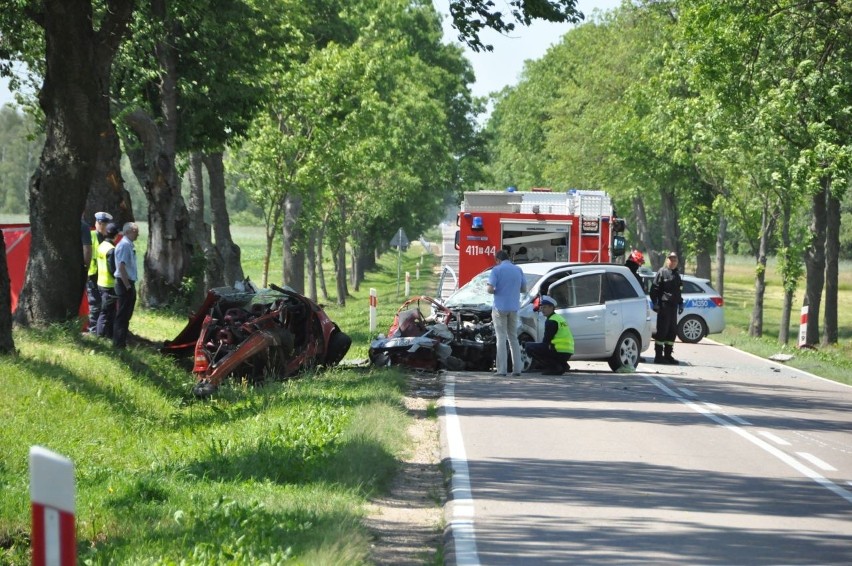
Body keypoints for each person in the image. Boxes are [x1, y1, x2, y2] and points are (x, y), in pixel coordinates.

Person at [487, 249, 527, 376]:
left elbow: (489, 289)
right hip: (514, 307)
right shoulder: (518, 269)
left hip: (500, 307)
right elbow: (524, 289)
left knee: (501, 338)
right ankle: (517, 369)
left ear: (497, 260)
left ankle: (502, 370)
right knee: (513, 337)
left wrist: (497, 290)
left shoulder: (496, 270)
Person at [524, 295, 573, 375]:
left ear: (551, 307)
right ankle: (563, 365)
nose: (543, 310)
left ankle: (553, 367)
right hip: (567, 351)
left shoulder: (551, 321)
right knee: (542, 347)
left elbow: (546, 341)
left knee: (529, 346)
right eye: (542, 307)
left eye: (545, 307)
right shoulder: (559, 318)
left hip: (559, 350)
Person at [650, 251, 684, 364]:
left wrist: (681, 302)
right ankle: (658, 356)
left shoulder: (677, 274)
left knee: (672, 331)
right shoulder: (662, 272)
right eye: (671, 259)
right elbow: (654, 289)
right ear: (667, 260)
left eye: (675, 260)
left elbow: (678, 291)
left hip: (673, 307)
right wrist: (655, 303)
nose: (673, 262)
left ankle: (668, 355)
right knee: (662, 331)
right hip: (664, 306)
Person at [113, 222, 139, 349]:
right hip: (124, 283)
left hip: (128, 283)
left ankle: (121, 341)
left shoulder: (128, 245)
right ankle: (118, 343)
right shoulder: (124, 245)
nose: (138, 234)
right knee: (122, 315)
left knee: (126, 314)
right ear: (129, 231)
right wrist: (127, 286)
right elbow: (121, 267)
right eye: (136, 231)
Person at [86, 211, 113, 332]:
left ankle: (102, 330)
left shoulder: (107, 239)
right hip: (92, 274)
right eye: (101, 223)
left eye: (105, 224)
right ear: (97, 223)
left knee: (104, 305)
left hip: (103, 277)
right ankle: (93, 331)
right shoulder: (91, 235)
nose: (103, 226)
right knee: (95, 304)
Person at [95, 223, 120, 339]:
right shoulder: (111, 249)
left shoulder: (101, 246)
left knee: (106, 311)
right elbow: (112, 269)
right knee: (106, 312)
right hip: (109, 284)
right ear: (115, 236)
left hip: (100, 282)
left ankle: (107, 335)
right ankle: (100, 336)